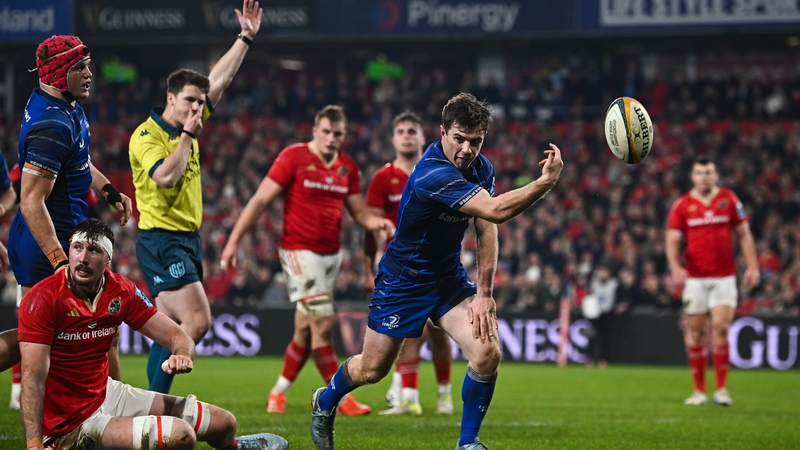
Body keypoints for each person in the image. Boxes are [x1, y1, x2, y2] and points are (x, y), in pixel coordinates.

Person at [309, 93, 564, 450]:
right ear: (443, 132)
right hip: (403, 281)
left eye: (475, 141)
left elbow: (485, 227)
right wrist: (543, 183)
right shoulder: (432, 172)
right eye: (459, 138)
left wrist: (484, 293)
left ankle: (468, 443)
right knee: (372, 369)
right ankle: (325, 401)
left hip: (447, 278)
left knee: (487, 352)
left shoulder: (481, 168)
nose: (466, 149)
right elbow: (495, 211)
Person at [17, 218, 287, 450]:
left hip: (106, 394)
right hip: (69, 422)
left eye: (94, 250)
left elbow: (178, 336)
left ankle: (235, 447)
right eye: (77, 248)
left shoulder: (120, 290)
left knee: (225, 423)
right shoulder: (43, 298)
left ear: (108, 260)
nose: (83, 258)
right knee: (181, 436)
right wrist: (34, 443)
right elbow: (32, 378)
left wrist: (182, 354)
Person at [219, 105, 395, 416]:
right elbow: (260, 199)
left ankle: (278, 393)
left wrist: (376, 223)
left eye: (337, 134)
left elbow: (360, 214)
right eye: (326, 132)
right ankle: (338, 398)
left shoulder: (347, 167)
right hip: (299, 253)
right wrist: (233, 241)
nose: (331, 138)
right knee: (324, 323)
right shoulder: (294, 157)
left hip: (331, 257)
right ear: (315, 130)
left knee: (305, 329)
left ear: (343, 136)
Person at [128, 0, 262, 394]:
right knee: (198, 322)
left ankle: (149, 405)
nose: (196, 108)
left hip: (186, 240)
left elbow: (216, 81)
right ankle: (157, 406)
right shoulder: (147, 136)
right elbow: (167, 177)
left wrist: (244, 38)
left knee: (169, 330)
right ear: (170, 99)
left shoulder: (193, 114)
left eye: (200, 103)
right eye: (189, 101)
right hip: (162, 240)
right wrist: (188, 134)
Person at [7, 34, 133, 410]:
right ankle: (111, 409)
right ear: (60, 73)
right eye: (80, 67)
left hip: (62, 237)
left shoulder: (66, 107)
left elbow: (77, 161)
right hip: (49, 243)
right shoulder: (52, 125)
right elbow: (30, 201)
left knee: (64, 333)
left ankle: (109, 407)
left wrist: (109, 189)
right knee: (48, 336)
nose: (90, 74)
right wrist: (61, 260)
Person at [362, 111, 453, 415]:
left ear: (422, 136)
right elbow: (369, 223)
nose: (406, 135)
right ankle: (409, 398)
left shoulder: (436, 171)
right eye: (400, 130)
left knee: (439, 333)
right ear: (392, 138)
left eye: (411, 130)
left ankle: (443, 397)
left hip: (438, 262)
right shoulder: (382, 178)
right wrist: (368, 264)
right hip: (399, 268)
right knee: (408, 330)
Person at [666, 156, 760, 406]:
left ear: (716, 175)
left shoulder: (728, 199)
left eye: (708, 172)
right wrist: (676, 267)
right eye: (699, 172)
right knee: (696, 334)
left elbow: (744, 234)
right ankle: (699, 391)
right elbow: (672, 239)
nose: (704, 177)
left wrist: (752, 266)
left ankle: (721, 389)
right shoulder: (683, 205)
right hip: (695, 278)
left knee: (720, 328)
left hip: (724, 277)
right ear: (692, 177)